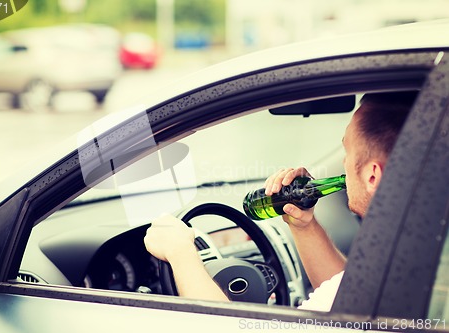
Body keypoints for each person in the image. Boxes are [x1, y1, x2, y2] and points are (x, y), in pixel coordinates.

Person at [144, 91, 417, 310]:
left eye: (346, 151)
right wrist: (303, 225)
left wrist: (181, 254)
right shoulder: (418, 248)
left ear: (372, 176)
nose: (343, 164)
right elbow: (347, 302)